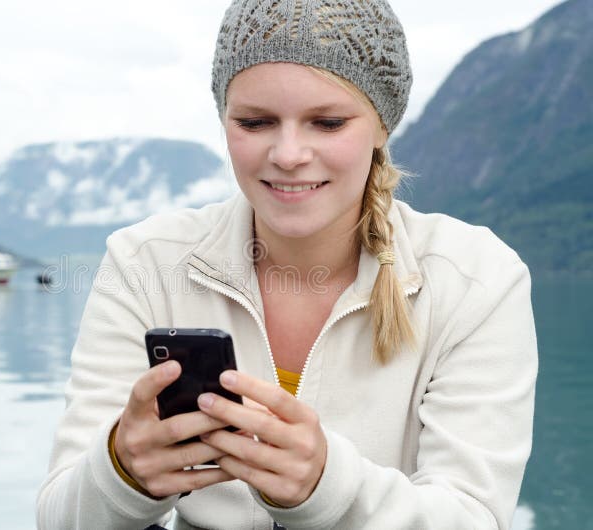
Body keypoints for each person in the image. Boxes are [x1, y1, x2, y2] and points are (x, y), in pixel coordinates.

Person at [36, 0, 538, 528]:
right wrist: (122, 472)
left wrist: (326, 486)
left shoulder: (479, 280)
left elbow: (475, 517)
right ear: (224, 120)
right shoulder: (143, 262)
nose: (289, 153)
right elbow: (60, 517)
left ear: (382, 127)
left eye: (327, 122)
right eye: (255, 122)